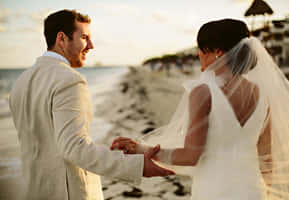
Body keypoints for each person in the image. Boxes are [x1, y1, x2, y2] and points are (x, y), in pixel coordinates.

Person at [111, 18, 289, 200]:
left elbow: (191, 156)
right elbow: (267, 161)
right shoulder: (261, 94)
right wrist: (263, 193)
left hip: (215, 191)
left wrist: (143, 149)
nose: (198, 54)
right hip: (253, 190)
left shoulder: (203, 92)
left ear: (217, 52)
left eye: (201, 49)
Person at [9, 9, 174, 200]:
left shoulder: (20, 82)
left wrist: (106, 149)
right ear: (61, 38)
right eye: (84, 38)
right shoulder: (69, 80)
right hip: (68, 192)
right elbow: (74, 148)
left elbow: (50, 140)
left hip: (34, 190)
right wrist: (137, 165)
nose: (91, 45)